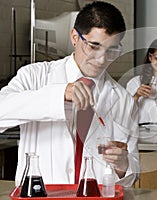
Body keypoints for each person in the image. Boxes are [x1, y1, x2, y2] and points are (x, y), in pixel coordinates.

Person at [0, 1, 139, 187]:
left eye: (112, 50)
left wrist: (123, 164)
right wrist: (60, 94)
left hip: (94, 197)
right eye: (94, 46)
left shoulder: (124, 100)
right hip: (42, 196)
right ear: (75, 37)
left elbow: (131, 174)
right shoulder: (35, 76)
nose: (102, 59)